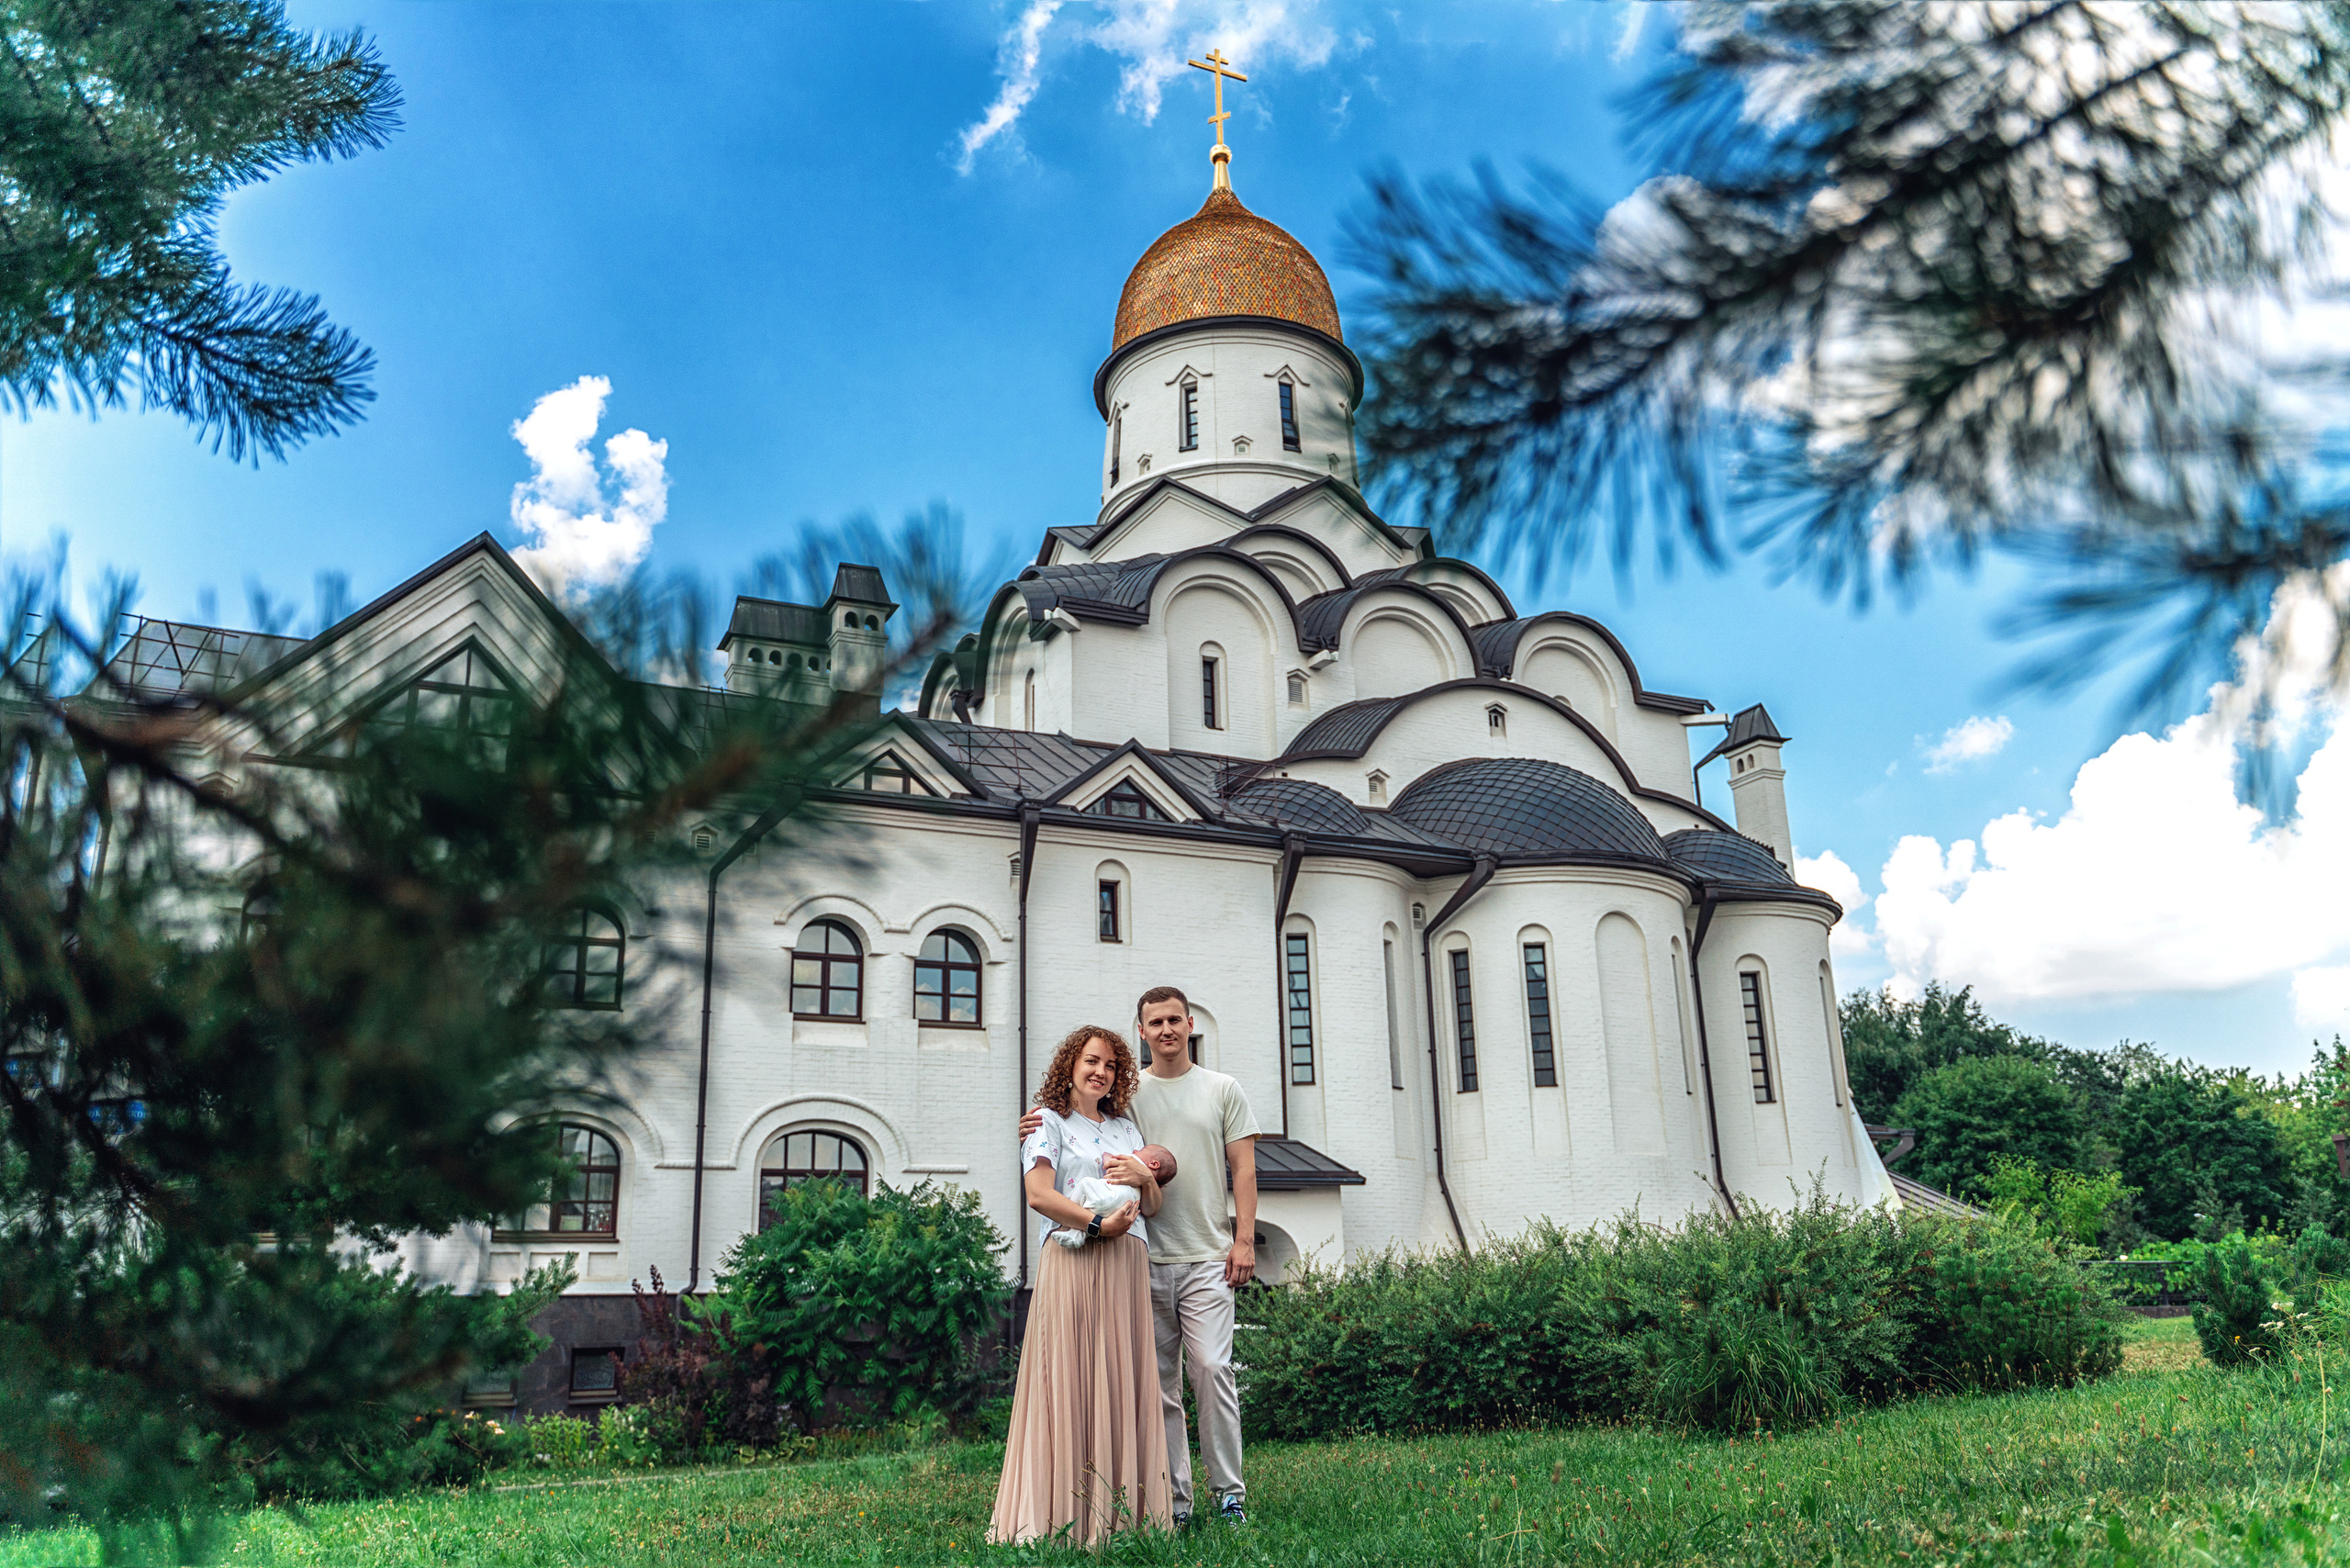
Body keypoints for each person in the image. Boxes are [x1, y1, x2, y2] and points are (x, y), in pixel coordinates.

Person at [1021, 984, 1259, 1528]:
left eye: (1175, 1020)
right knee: (1156, 1386)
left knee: (1212, 1368)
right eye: (1156, 1022)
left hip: (1207, 1253)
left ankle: (1229, 1494)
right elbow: (1074, 1127)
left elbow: (1243, 1169)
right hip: (1140, 1260)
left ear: (1191, 1024)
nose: (1167, 1029)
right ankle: (1174, 1502)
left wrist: (1243, 1239)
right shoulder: (1126, 1099)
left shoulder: (1222, 1088)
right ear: (1142, 1030)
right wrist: (1033, 1125)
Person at [989, 1025, 1173, 1545]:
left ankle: (1125, 1516)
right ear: (1070, 1065)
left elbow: (1153, 1205)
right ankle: (1060, 1517)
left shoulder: (1127, 1131)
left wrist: (1145, 1179)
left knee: (1121, 1376)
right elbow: (1039, 1195)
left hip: (1127, 1260)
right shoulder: (1045, 1122)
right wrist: (1096, 1225)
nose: (1101, 1072)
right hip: (1075, 1257)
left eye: (1111, 1066)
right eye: (1092, 1061)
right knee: (1068, 1373)